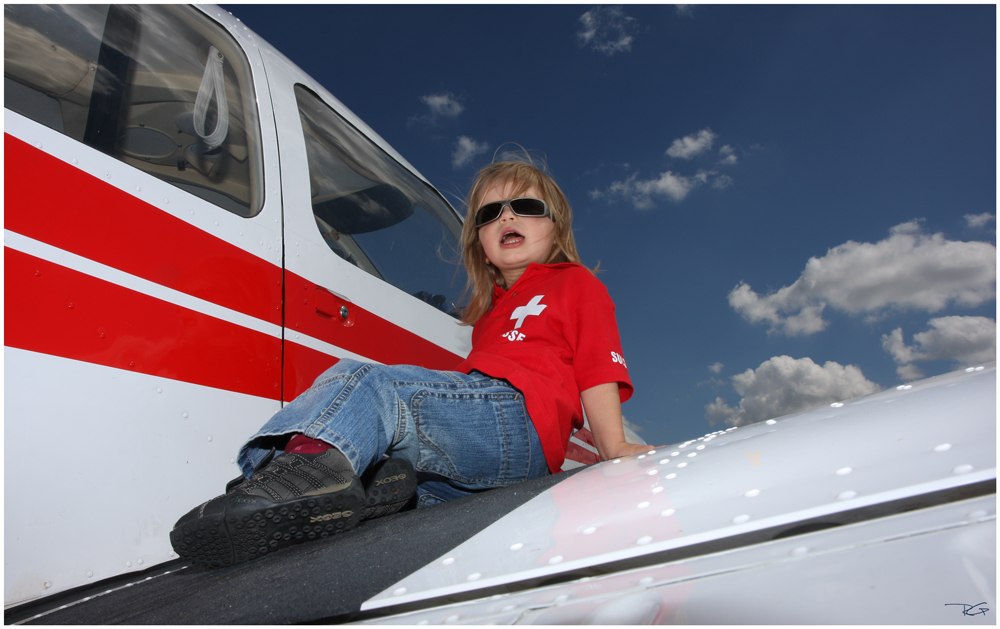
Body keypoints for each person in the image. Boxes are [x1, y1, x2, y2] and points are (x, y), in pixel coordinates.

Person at [170, 158, 650, 569]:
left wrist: (613, 445)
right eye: (490, 213)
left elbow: (596, 366)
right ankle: (375, 494)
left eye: (525, 207)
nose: (508, 216)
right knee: (404, 478)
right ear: (479, 241)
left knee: (365, 382)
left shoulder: (574, 283)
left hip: (516, 415)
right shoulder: (488, 318)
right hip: (493, 456)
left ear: (556, 225)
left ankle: (284, 475)